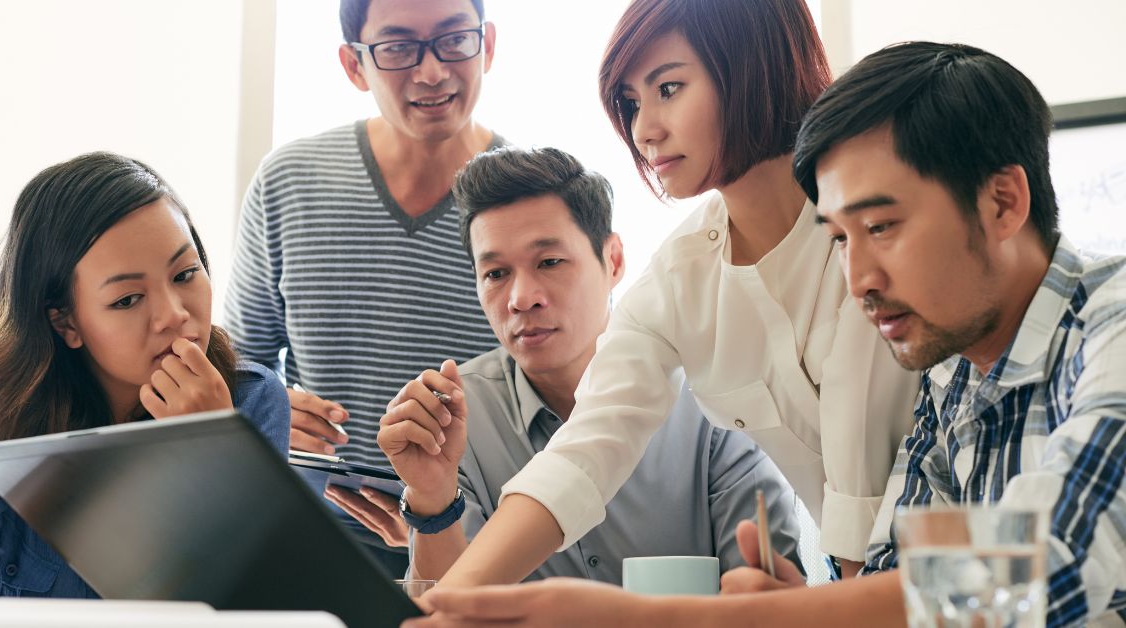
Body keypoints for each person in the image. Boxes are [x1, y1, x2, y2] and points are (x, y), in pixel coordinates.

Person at [410, 41, 1126, 628]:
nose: (858, 278)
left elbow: (1050, 559)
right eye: (842, 239)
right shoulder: (953, 379)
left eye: (880, 228)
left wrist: (684, 621)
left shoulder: (1112, 322)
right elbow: (899, 584)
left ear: (1003, 201)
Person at [428, 0, 920, 589]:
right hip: (869, 595)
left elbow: (865, 476)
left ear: (750, 65)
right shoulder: (678, 279)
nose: (643, 129)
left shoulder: (879, 227)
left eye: (669, 87)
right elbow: (583, 452)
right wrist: (441, 611)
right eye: (633, 102)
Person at [325, 146, 800, 583]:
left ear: (612, 260)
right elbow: (441, 613)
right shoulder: (454, 421)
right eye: (495, 273)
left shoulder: (714, 396)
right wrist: (432, 498)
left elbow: (772, 593)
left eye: (550, 262)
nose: (521, 298)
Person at [0, 152, 290, 598]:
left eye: (186, 273)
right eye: (127, 299)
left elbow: (254, 598)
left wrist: (214, 451)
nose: (175, 316)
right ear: (66, 324)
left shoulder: (252, 398)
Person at [222, 0, 503, 575]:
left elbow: (572, 388)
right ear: (354, 65)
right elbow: (238, 367)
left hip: (484, 550)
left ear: (488, 45)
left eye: (454, 40)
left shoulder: (530, 201)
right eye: (398, 47)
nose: (431, 71)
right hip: (308, 543)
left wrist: (443, 523)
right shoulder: (287, 183)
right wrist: (268, 409)